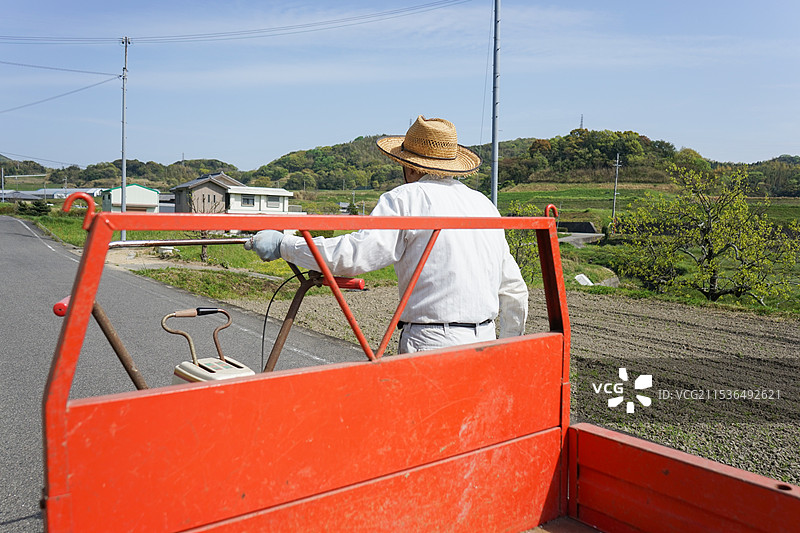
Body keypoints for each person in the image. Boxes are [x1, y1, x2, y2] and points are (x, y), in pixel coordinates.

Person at [247, 115, 528, 353]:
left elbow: (352, 256)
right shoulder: (484, 205)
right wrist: (507, 346)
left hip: (431, 342)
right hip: (486, 339)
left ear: (409, 164)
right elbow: (514, 289)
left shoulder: (405, 199)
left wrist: (285, 244)